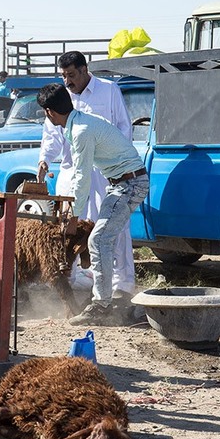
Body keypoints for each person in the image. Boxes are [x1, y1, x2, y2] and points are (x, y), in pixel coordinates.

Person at [36, 83, 148, 325]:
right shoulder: (77, 124)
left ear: (49, 112)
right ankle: (103, 300)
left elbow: (82, 176)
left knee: (99, 239)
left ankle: (102, 304)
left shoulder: (80, 131)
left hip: (130, 184)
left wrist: (73, 217)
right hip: (121, 183)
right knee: (100, 239)